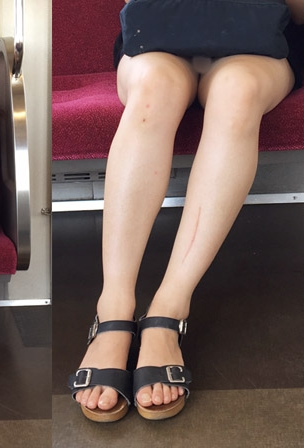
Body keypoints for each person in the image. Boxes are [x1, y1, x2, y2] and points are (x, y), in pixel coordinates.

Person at [68, 0, 304, 422]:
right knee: (153, 91)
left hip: (259, 43)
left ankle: (170, 307)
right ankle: (114, 307)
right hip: (160, 36)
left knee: (238, 92)